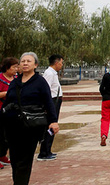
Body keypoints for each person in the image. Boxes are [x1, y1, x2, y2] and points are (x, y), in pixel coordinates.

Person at [2, 52, 59, 185]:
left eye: (29, 61)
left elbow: (48, 102)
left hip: (30, 127)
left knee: (24, 160)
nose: (25, 63)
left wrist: (53, 121)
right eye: (23, 61)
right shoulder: (15, 82)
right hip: (12, 126)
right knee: (15, 160)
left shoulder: (40, 82)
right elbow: (7, 102)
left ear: (35, 65)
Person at [37, 54, 64, 161]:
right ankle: (43, 152)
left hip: (55, 101)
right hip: (52, 101)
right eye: (61, 63)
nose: (61, 65)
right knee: (50, 125)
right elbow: (45, 89)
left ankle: (48, 150)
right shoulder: (49, 73)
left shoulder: (53, 73)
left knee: (53, 125)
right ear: (56, 63)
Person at [0, 57, 18, 169]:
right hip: (1, 110)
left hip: (13, 111)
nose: (17, 69)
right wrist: (8, 92)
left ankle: (2, 155)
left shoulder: (16, 78)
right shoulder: (0, 78)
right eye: (14, 67)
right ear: (7, 68)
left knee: (9, 135)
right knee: (0, 135)